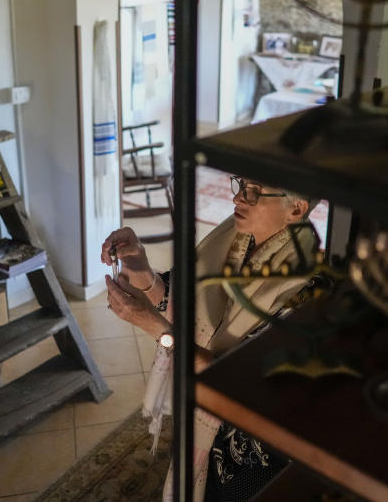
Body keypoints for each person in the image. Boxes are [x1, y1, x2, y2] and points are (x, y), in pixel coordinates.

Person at [101, 176, 319, 502]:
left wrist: (154, 327)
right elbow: (184, 306)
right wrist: (143, 272)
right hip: (198, 412)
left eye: (255, 192)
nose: (238, 199)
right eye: (240, 184)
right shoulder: (230, 237)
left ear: (296, 209)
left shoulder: (306, 289)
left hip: (242, 452)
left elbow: (234, 383)